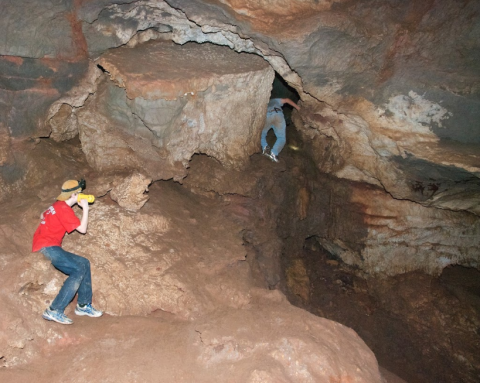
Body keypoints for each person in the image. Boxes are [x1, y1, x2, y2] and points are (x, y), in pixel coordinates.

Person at [32, 179, 102, 325]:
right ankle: (54, 309)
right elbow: (82, 229)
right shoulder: (63, 208)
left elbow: (42, 214)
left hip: (45, 245)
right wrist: (86, 209)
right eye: (79, 194)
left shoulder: (56, 205)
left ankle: (83, 305)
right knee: (77, 269)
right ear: (74, 194)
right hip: (47, 247)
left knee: (84, 262)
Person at [261, 98, 301, 162]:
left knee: (261, 135)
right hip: (277, 114)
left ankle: (265, 147)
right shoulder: (275, 100)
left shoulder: (264, 104)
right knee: (281, 138)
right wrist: (298, 108)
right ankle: (274, 153)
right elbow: (287, 100)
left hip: (267, 116)